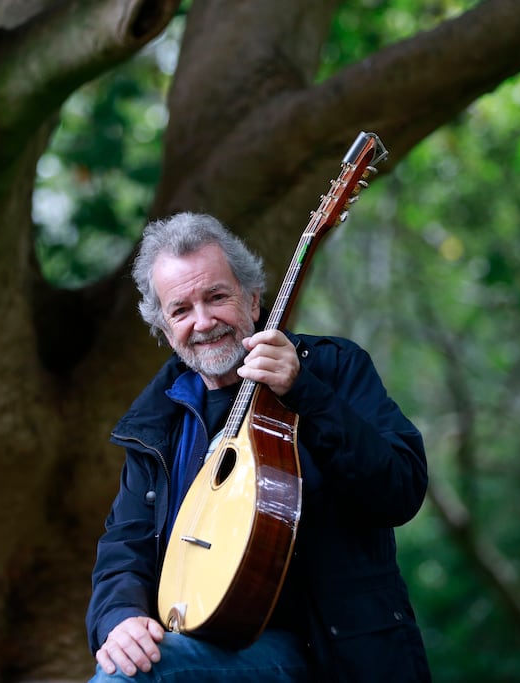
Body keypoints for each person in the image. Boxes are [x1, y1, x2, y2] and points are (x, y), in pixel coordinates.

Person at [85, 212, 431, 682]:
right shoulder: (159, 419)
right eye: (181, 310)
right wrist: (120, 616)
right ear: (165, 329)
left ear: (253, 298)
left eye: (217, 297)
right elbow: (124, 544)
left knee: (137, 678)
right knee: (128, 661)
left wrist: (305, 392)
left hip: (326, 653)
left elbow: (400, 489)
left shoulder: (330, 370)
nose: (203, 321)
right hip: (204, 644)